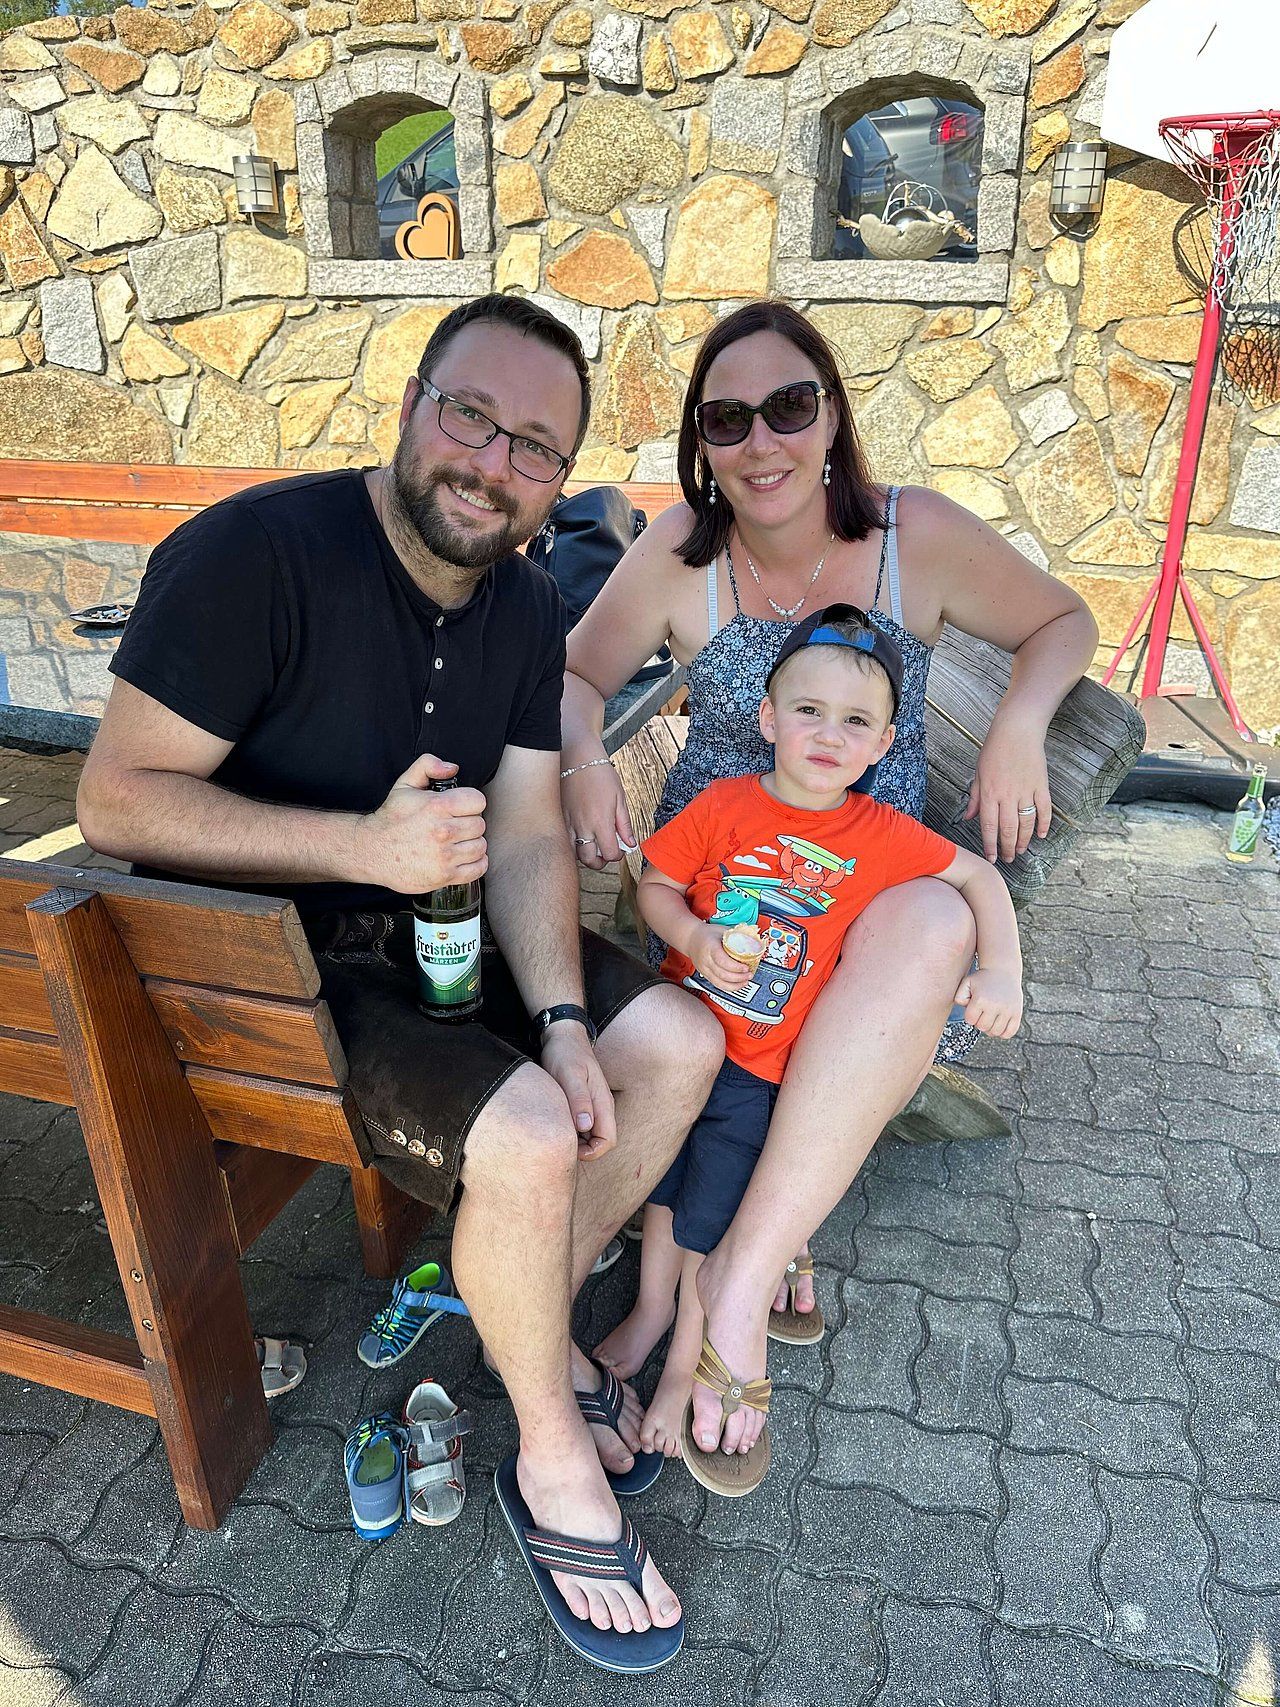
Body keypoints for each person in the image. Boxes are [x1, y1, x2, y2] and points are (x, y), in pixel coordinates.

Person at [76, 294, 724, 1674]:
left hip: (449, 932)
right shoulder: (258, 552)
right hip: (273, 967)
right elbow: (115, 796)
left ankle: (516, 1317)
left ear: (560, 480)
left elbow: (535, 826)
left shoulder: (530, 604)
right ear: (415, 398)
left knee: (669, 1039)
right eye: (468, 414)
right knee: (535, 1135)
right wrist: (356, 844)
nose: (490, 462)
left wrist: (558, 1017)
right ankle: (548, 1456)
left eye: (534, 446)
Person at [561, 299, 1097, 1468]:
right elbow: (572, 674)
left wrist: (1014, 729)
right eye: (726, 418)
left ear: (833, 414)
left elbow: (1063, 621)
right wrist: (587, 751)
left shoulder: (916, 535)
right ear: (700, 444)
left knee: (923, 918)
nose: (761, 442)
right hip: (714, 897)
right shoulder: (676, 552)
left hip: (861, 898)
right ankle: (698, 1285)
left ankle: (736, 1286)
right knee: (717, 1082)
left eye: (788, 407)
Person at [616, 606, 1022, 1494]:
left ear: (883, 743)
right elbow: (653, 884)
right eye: (808, 711)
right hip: (691, 1042)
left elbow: (977, 877)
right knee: (663, 1187)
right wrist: (690, 926)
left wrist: (1003, 972)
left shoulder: (878, 834)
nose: (828, 736)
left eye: (855, 722)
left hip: (766, 1072)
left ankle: (688, 1357)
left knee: (712, 1216)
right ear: (767, 719)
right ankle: (648, 1314)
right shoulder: (724, 806)